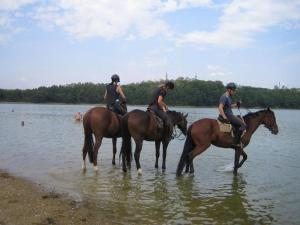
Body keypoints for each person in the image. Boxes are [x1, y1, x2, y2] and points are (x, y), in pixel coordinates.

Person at [219, 82, 246, 147]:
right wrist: (224, 117)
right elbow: (220, 108)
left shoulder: (228, 97)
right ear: (229, 90)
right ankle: (236, 142)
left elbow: (229, 106)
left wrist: (236, 104)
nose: (234, 92)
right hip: (228, 115)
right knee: (243, 125)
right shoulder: (224, 97)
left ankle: (235, 137)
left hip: (229, 114)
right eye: (233, 90)